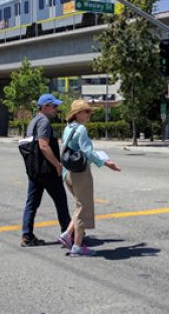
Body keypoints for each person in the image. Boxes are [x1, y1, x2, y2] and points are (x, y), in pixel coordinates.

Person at [57, 100, 121, 257]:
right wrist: (106, 163)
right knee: (84, 208)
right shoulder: (81, 129)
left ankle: (67, 234)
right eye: (86, 112)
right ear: (77, 113)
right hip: (80, 173)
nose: (89, 115)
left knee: (80, 205)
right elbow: (88, 152)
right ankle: (77, 246)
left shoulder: (67, 128)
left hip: (68, 173)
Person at [20, 94, 71, 247]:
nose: (57, 109)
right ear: (44, 107)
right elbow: (43, 145)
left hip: (34, 169)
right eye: (54, 106)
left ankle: (27, 236)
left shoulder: (33, 121)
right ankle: (69, 234)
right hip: (46, 169)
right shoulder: (44, 121)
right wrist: (57, 164)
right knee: (60, 200)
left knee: (32, 203)